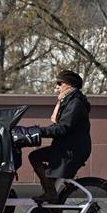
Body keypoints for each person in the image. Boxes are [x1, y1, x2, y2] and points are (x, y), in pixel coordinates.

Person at [28, 69, 91, 203]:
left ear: (69, 84)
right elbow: (59, 126)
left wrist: (39, 132)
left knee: (35, 156)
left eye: (59, 83)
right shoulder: (69, 101)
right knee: (37, 158)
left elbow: (63, 128)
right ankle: (51, 189)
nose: (56, 87)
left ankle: (50, 191)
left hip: (71, 150)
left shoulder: (75, 103)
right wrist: (36, 131)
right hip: (66, 147)